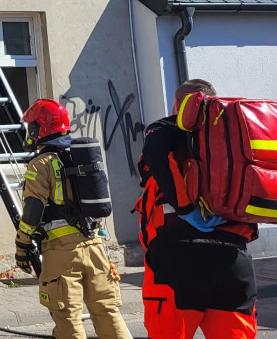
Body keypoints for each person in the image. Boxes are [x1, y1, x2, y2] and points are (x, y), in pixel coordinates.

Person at [137, 79, 259, 339]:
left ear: (178, 105)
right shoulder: (235, 137)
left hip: (177, 256)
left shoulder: (167, 128)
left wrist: (184, 208)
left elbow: (155, 153)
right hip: (234, 258)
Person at [15, 99, 129, 339]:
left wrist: (22, 244)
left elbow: (33, 210)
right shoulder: (81, 156)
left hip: (63, 253)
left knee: (68, 317)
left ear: (38, 130)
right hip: (96, 246)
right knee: (107, 311)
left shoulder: (40, 164)